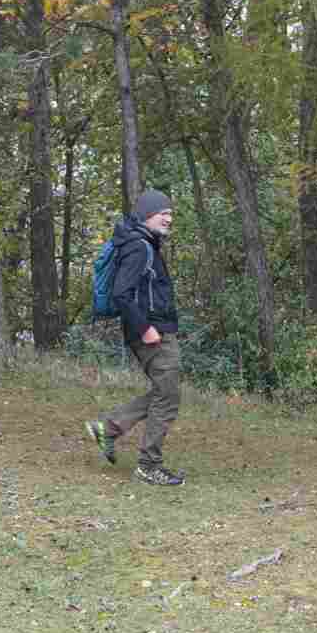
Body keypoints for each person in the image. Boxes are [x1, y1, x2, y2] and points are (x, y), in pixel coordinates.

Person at [83, 189, 184, 486]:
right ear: (147, 215)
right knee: (167, 396)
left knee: (166, 393)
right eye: (163, 213)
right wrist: (146, 329)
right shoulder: (139, 247)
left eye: (170, 214)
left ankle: (108, 428)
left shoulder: (144, 243)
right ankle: (149, 466)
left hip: (156, 330)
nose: (169, 218)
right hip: (152, 333)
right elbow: (121, 294)